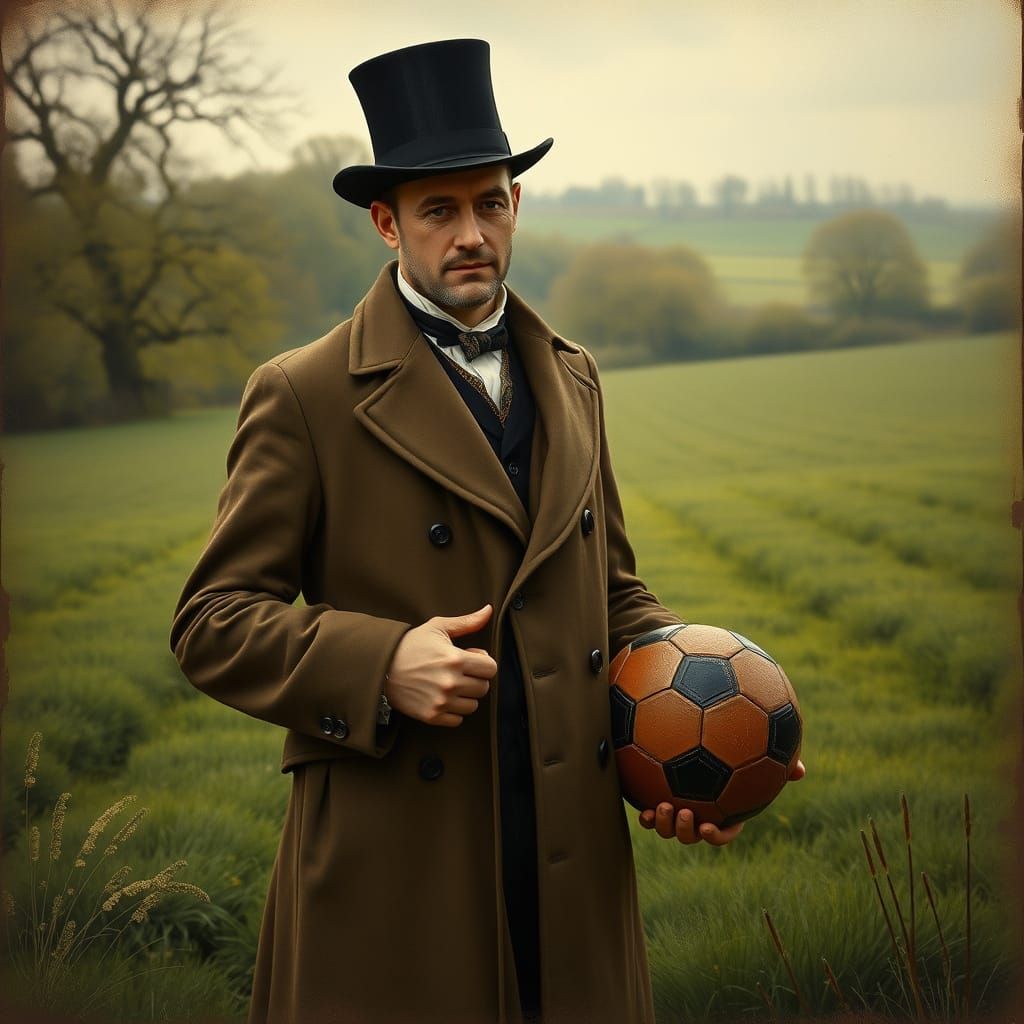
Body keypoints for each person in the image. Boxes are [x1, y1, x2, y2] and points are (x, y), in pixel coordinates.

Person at [169, 38, 804, 1024]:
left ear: (516, 205)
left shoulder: (576, 375)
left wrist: (702, 721)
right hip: (401, 861)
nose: (471, 233)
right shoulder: (302, 394)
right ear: (386, 224)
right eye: (439, 210)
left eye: (490, 202)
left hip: (569, 854)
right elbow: (212, 620)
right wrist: (380, 662)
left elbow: (614, 592)